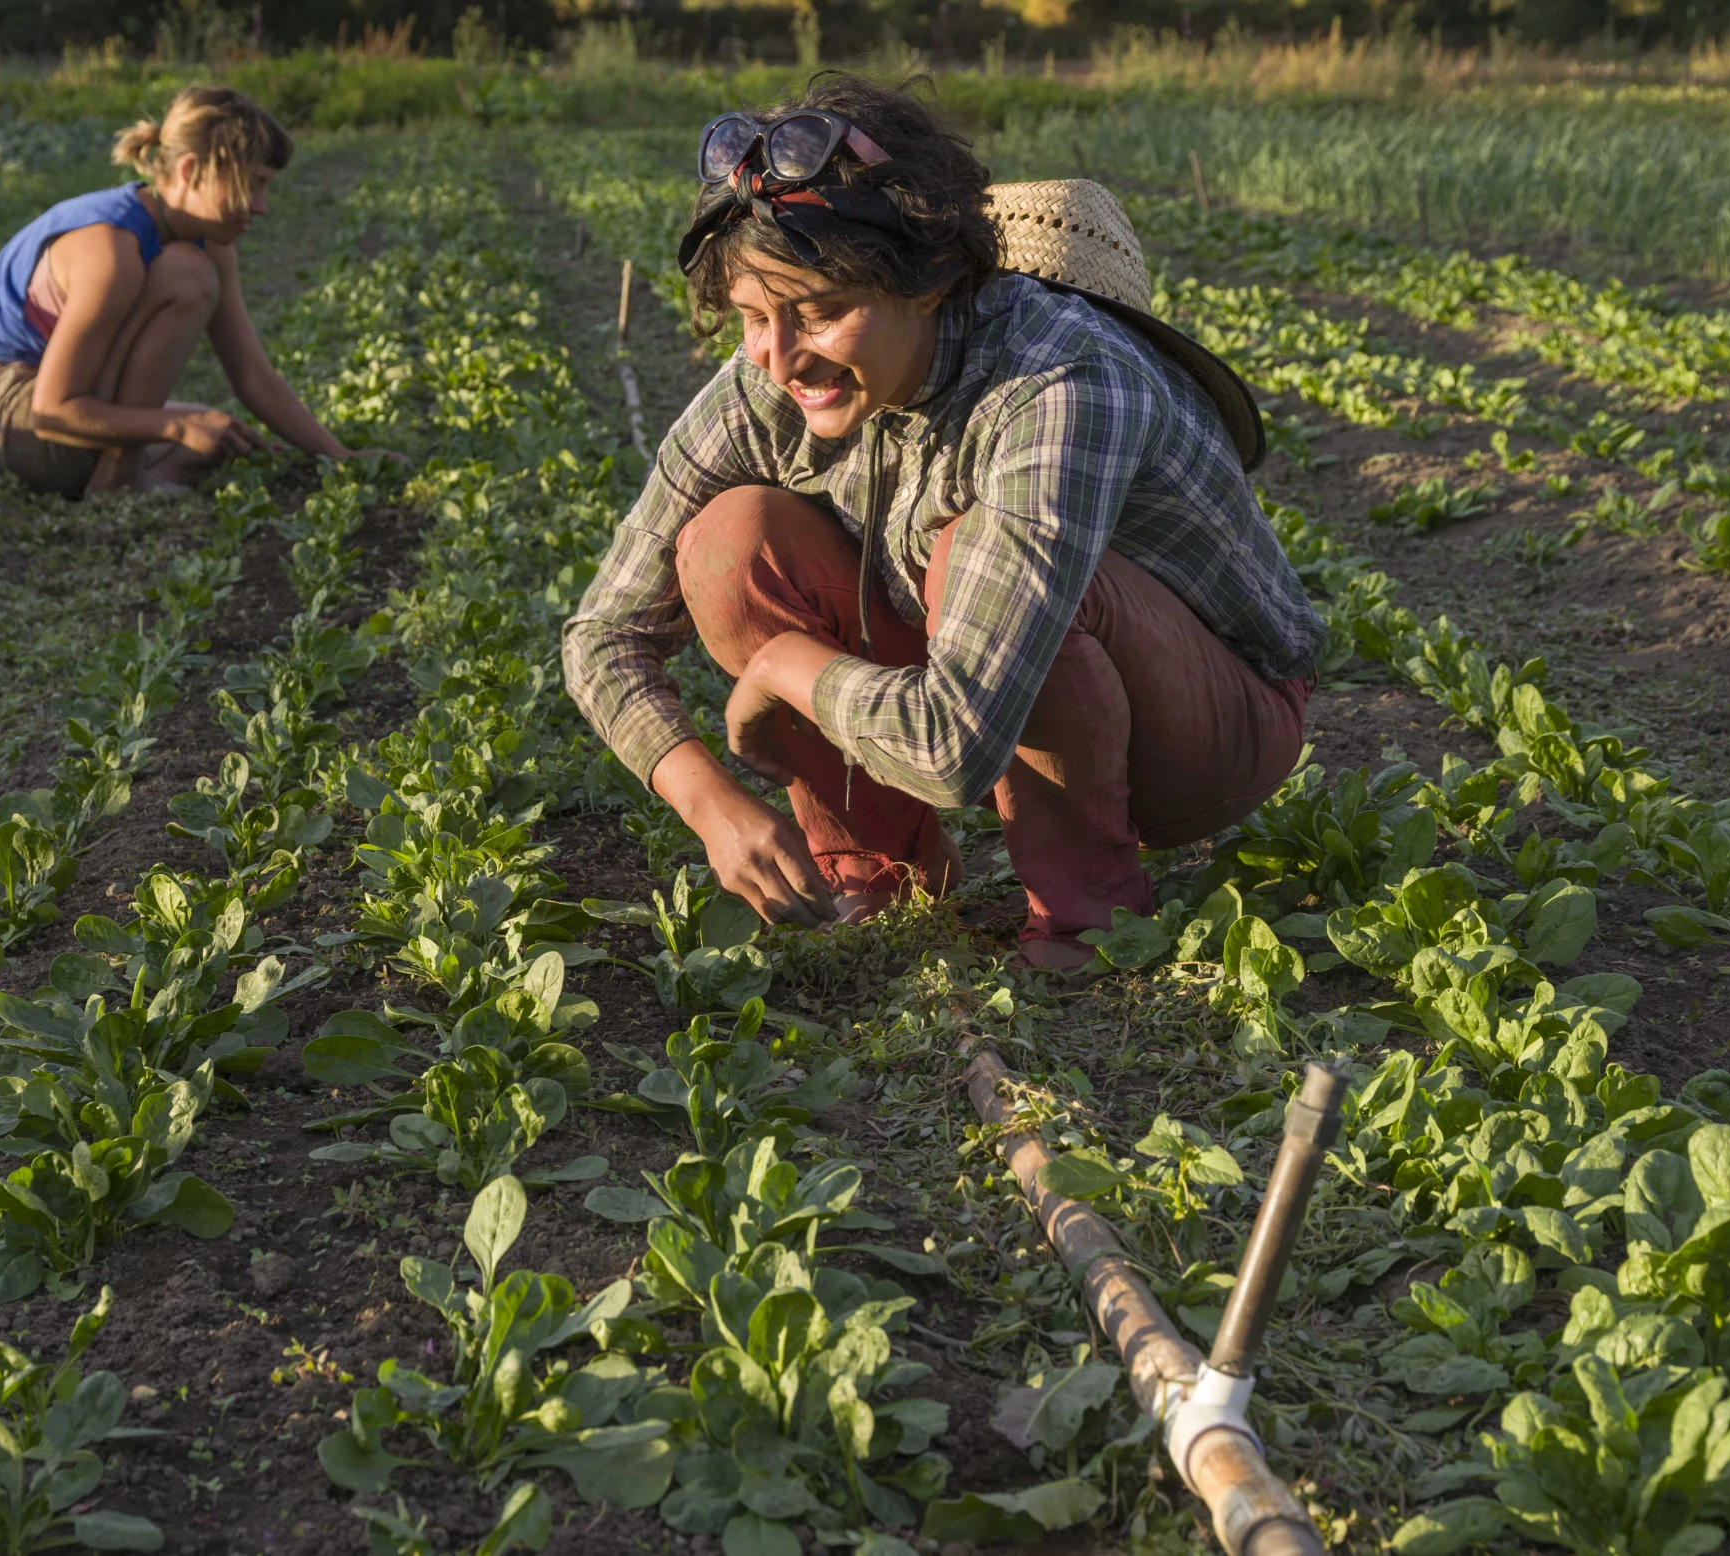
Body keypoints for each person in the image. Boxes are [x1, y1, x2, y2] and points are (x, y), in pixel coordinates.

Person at [561, 74, 1325, 970]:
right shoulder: (768, 377)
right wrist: (708, 801)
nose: (779, 357)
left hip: (1209, 730)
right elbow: (602, 632)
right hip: (980, 681)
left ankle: (1090, 920)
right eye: (752, 317)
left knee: (972, 551)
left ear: (928, 285)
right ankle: (879, 875)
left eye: (822, 311)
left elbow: (955, 745)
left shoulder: (1059, 385)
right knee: (733, 540)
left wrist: (785, 666)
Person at [0, 85, 368, 498]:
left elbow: (252, 376)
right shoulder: (111, 251)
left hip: (54, 414)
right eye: (253, 183)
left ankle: (140, 464)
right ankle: (116, 481)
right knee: (187, 278)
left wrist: (341, 457)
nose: (262, 205)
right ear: (191, 171)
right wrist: (175, 427)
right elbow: (50, 413)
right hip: (8, 421)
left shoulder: (208, 241)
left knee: (223, 434)